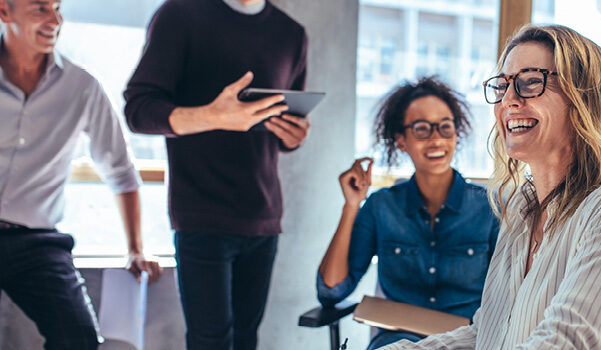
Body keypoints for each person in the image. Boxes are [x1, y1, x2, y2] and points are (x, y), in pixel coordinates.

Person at [382, 25, 601, 350]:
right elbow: (487, 334)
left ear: (582, 98)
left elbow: (565, 344)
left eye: (530, 82)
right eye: (503, 86)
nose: (508, 100)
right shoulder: (521, 209)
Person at [123, 0, 310, 349]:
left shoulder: (292, 34)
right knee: (210, 341)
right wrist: (213, 116)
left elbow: (281, 126)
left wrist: (292, 137)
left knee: (245, 340)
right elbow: (138, 111)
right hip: (201, 214)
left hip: (263, 216)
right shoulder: (180, 14)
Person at [0, 0, 162, 348]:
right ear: (4, 11)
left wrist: (136, 248)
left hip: (37, 243)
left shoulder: (82, 87)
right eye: (40, 8)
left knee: (79, 340)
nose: (55, 19)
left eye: (58, 8)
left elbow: (120, 170)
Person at [317, 77, 499, 349]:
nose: (436, 138)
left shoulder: (490, 209)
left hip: (468, 341)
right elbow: (331, 290)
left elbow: (511, 296)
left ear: (456, 134)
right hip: (397, 342)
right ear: (401, 140)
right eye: (422, 129)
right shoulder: (381, 207)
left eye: (445, 127)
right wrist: (351, 206)